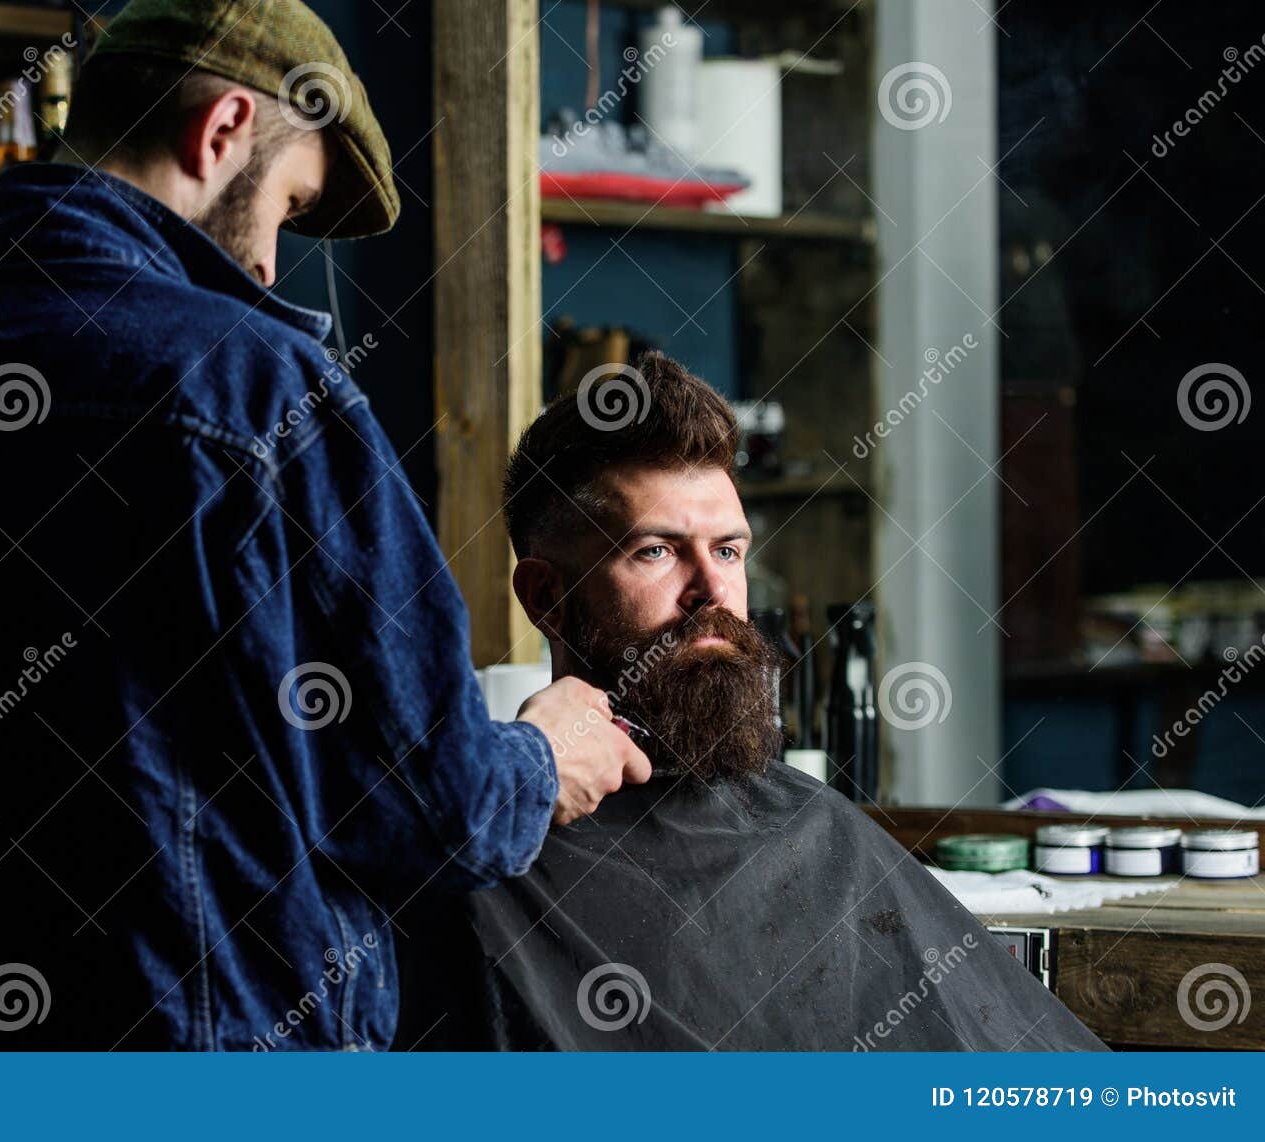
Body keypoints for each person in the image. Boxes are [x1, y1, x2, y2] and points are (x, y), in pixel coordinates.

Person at [0, 0, 647, 1050]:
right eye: (285, 206)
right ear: (222, 129)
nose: (273, 268)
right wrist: (546, 754)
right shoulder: (262, 391)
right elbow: (436, 808)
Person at [395, 353, 1107, 1051]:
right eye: (656, 551)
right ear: (546, 597)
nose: (713, 590)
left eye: (729, 551)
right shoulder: (468, 849)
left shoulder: (815, 829)